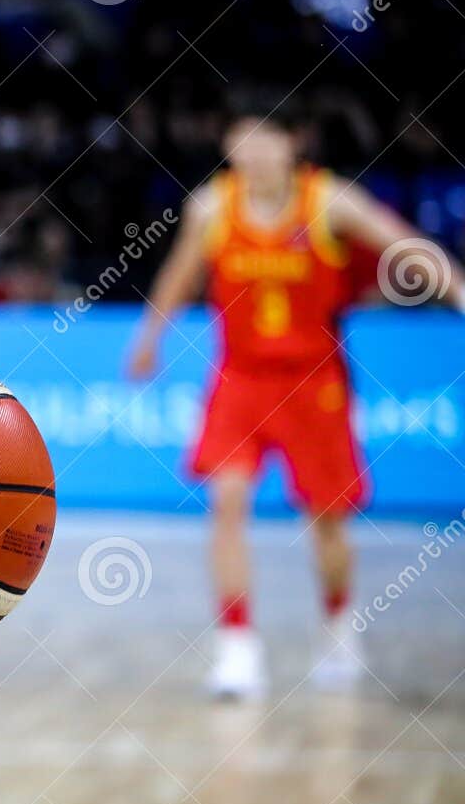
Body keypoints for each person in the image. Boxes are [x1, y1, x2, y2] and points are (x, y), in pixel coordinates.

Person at [128, 105, 464, 701]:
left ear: (292, 142)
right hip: (240, 378)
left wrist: (457, 289)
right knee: (226, 504)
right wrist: (150, 337)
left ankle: (337, 625)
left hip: (314, 382)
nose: (253, 151)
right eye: (242, 138)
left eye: (266, 138)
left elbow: (405, 245)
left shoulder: (329, 201)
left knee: (326, 522)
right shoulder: (210, 207)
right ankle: (237, 649)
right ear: (229, 145)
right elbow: (180, 275)